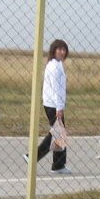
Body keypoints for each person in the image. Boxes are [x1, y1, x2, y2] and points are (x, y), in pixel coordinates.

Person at [31, 38, 71, 175]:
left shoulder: (57, 64)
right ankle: (33, 157)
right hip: (53, 105)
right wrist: (59, 107)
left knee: (59, 134)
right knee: (57, 133)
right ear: (54, 50)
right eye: (59, 49)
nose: (62, 52)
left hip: (54, 104)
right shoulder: (54, 66)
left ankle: (58, 165)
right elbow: (55, 89)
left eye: (64, 49)